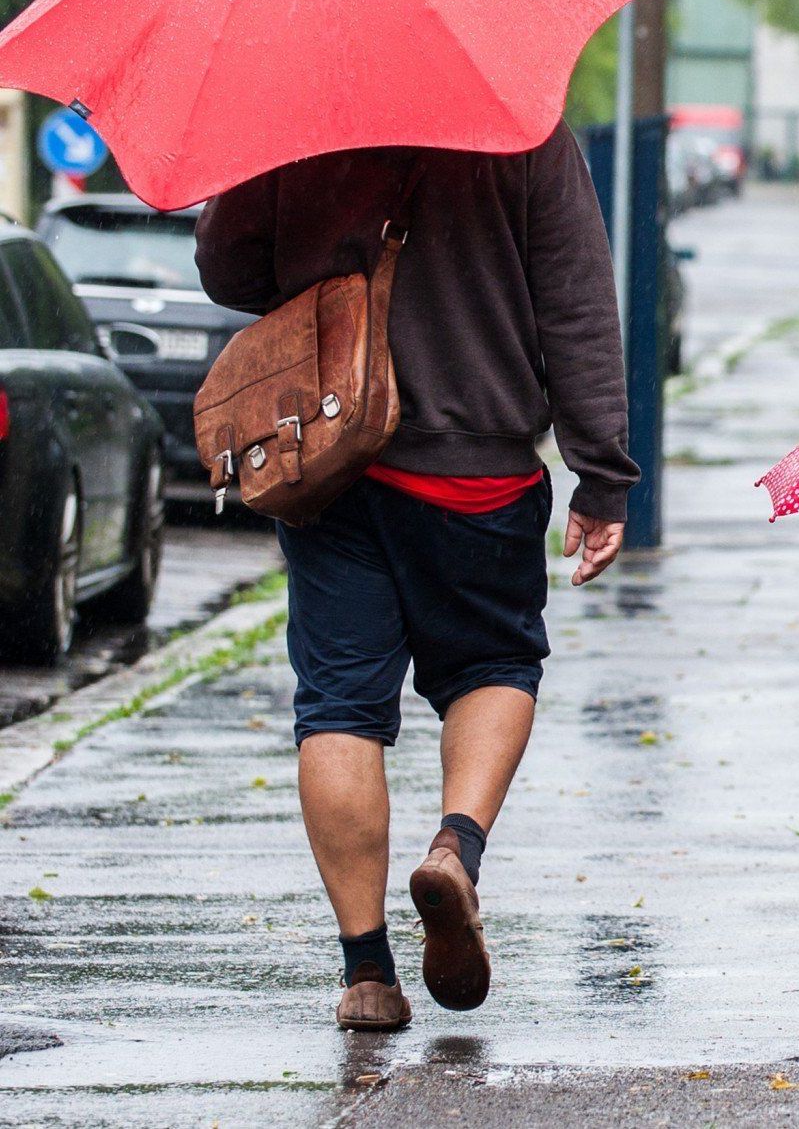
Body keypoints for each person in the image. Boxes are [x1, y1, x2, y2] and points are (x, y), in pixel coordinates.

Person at [196, 125, 634, 1032]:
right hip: (477, 463)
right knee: (494, 665)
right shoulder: (519, 119)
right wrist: (602, 471)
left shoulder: (299, 111)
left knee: (339, 706)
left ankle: (365, 972)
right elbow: (575, 296)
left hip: (329, 454)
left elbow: (230, 271)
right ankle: (455, 849)